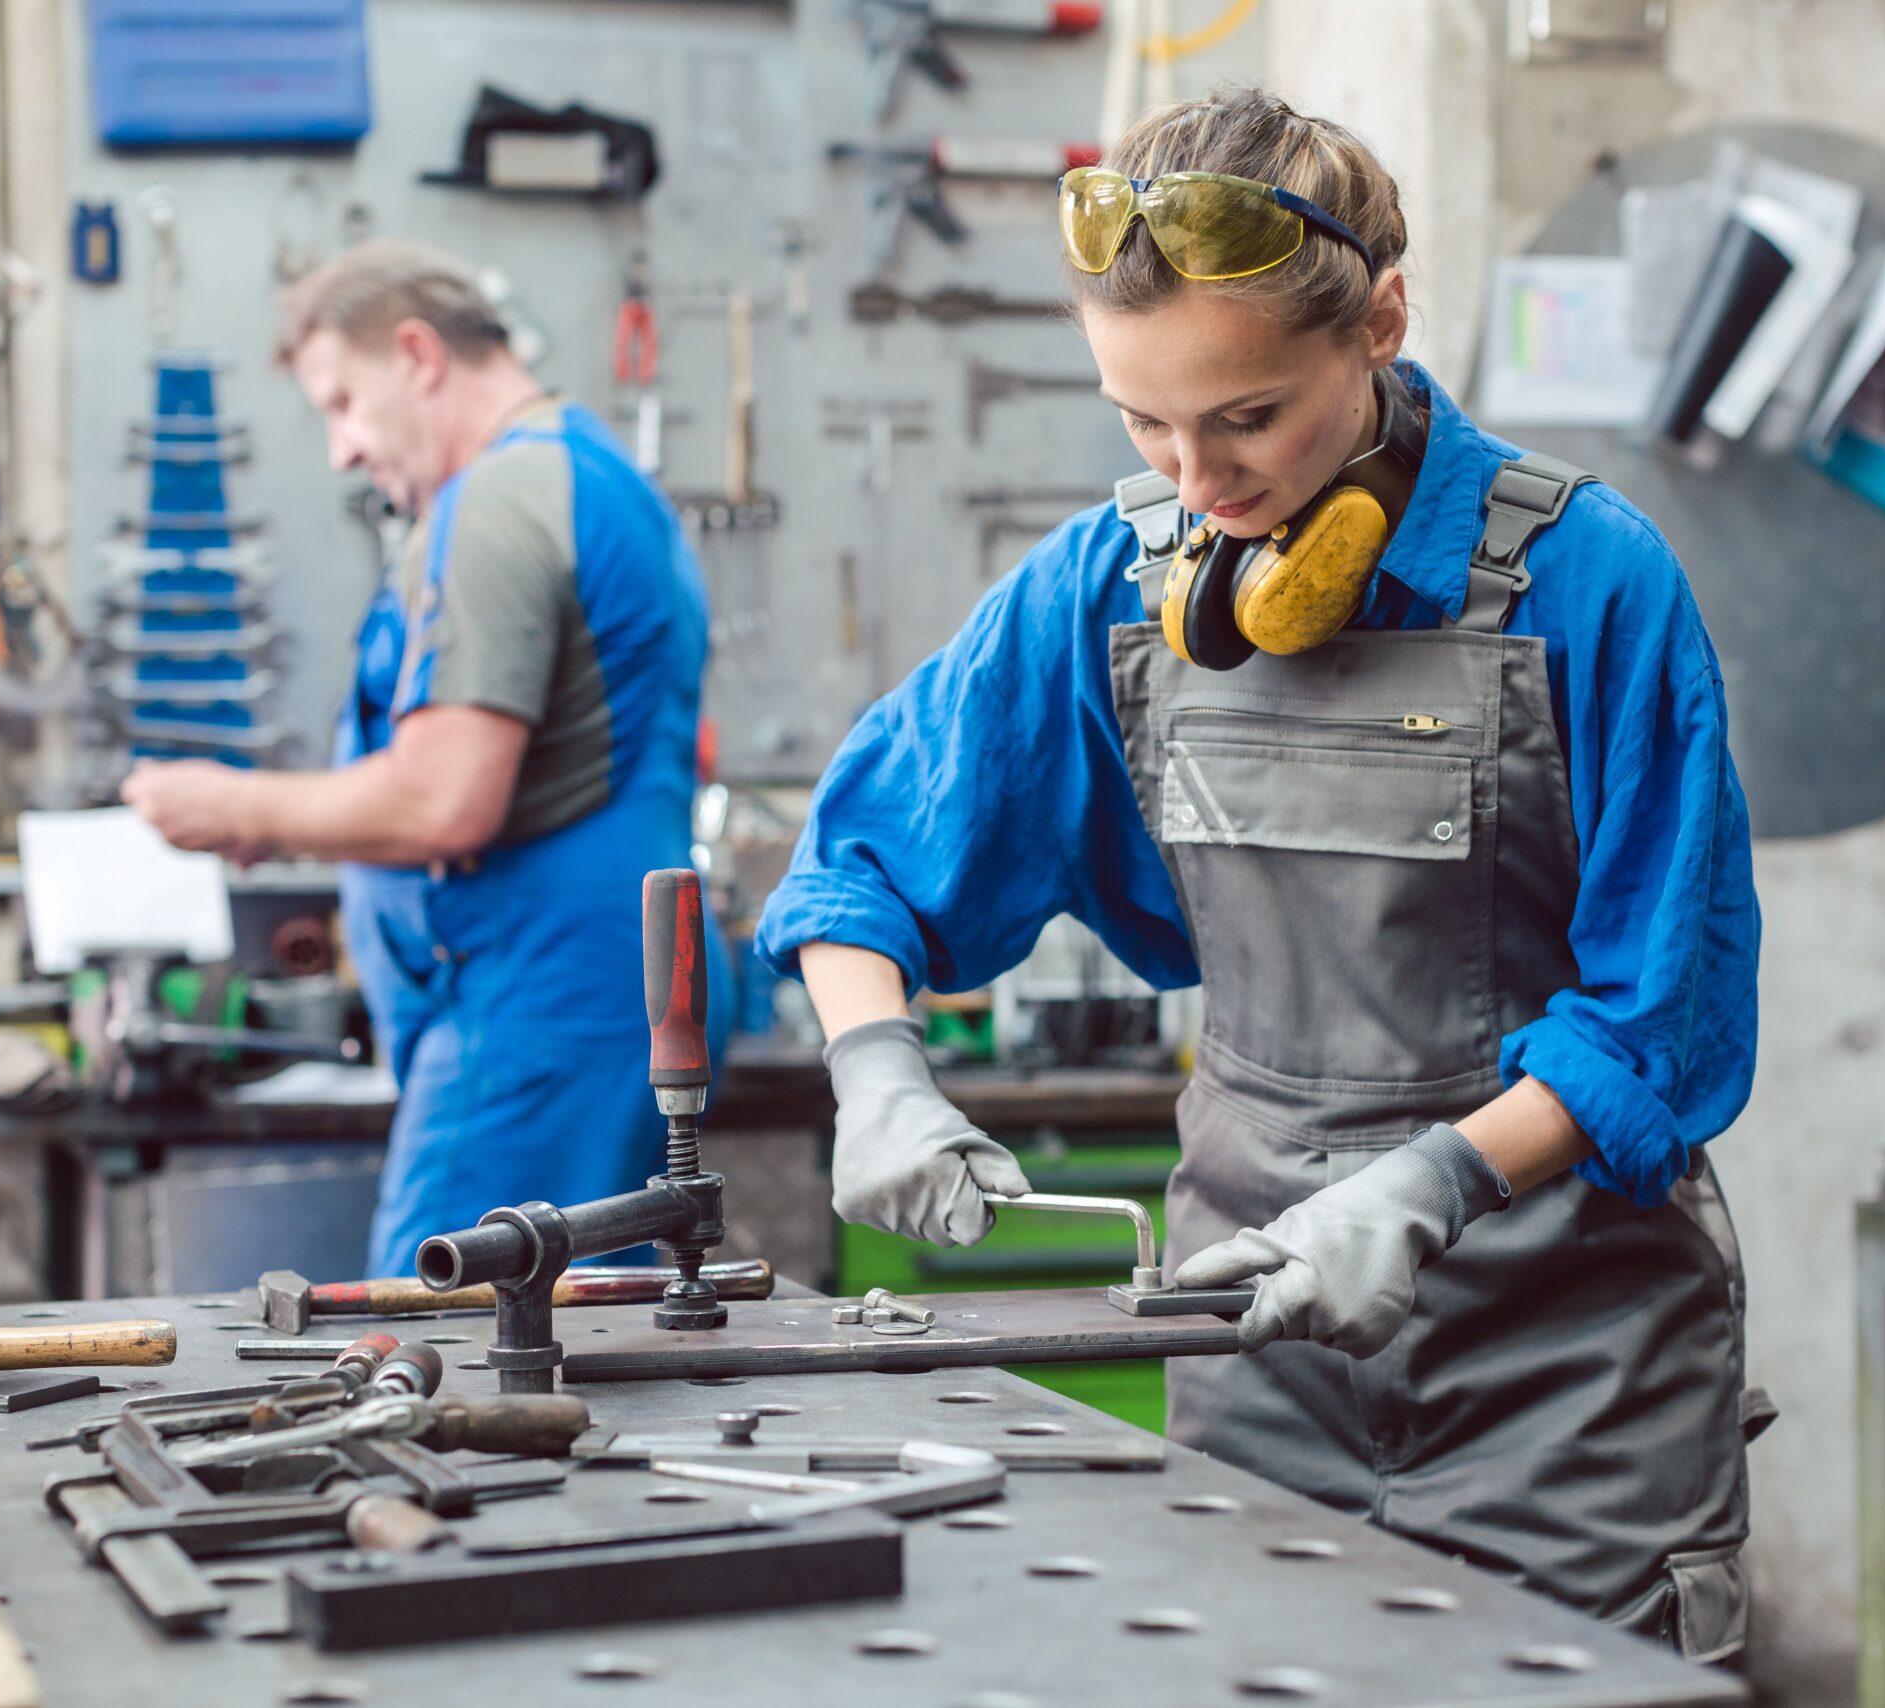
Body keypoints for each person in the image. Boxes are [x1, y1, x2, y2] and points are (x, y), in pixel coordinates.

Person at [755, 87, 1762, 1660]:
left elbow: (1664, 1015)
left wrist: (1432, 1184)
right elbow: (865, 851)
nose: (1198, 478)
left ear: (1381, 323)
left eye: (1246, 417)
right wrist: (875, 1064)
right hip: (1252, 1341)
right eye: (1144, 422)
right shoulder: (1114, 578)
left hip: (1570, 1382)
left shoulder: (1589, 578)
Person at [124, 240, 728, 1280]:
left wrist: (237, 804)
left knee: (445, 1352)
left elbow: (447, 798)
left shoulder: (495, 502)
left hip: (527, 1011)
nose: (341, 450)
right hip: (589, 993)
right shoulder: (595, 475)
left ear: (417, 355)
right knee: (560, 1354)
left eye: (343, 403)